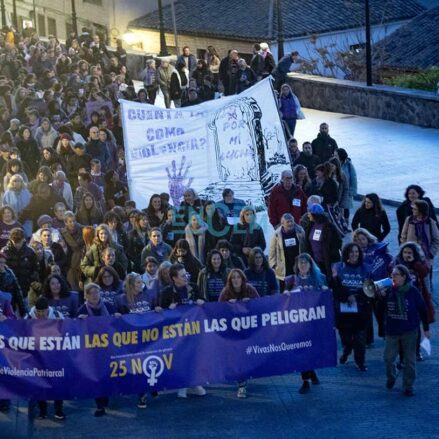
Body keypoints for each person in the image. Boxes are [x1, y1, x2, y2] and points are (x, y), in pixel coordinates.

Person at [383, 265, 430, 396]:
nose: (393, 277)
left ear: (403, 277)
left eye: (396, 274)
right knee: (388, 358)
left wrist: (426, 329)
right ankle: (391, 377)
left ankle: (408, 386)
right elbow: (381, 309)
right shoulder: (388, 291)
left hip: (409, 331)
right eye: (392, 274)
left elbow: (422, 309)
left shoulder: (413, 291)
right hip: (392, 331)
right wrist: (379, 297)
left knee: (409, 360)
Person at [284, 253, 325, 393]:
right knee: (302, 350)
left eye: (305, 262)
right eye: (300, 263)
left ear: (310, 264)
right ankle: (305, 380)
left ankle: (312, 371)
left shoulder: (319, 279)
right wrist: (286, 294)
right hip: (298, 323)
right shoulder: (291, 280)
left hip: (314, 322)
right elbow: (283, 297)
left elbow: (325, 298)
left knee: (312, 350)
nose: (302, 265)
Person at [218, 269, 259, 398]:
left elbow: (262, 306)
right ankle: (242, 385)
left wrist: (251, 304)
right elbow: (217, 310)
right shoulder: (225, 292)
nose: (236, 280)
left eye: (238, 277)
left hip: (249, 330)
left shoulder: (250, 289)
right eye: (233, 278)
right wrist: (227, 306)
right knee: (237, 356)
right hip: (233, 331)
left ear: (242, 279)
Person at [332, 243, 372, 371]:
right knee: (347, 339)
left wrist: (357, 297)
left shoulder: (366, 269)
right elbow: (335, 288)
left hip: (361, 311)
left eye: (356, 252)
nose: (354, 254)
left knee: (360, 340)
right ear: (346, 254)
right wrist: (347, 296)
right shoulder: (338, 268)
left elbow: (370, 289)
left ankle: (360, 362)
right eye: (351, 252)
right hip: (344, 312)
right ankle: (346, 351)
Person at [26, 295, 65, 420]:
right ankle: (42, 410)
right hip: (37, 356)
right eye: (39, 312)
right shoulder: (28, 317)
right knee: (39, 382)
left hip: (55, 355)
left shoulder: (58, 316)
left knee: (57, 382)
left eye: (44, 311)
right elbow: (20, 332)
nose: (41, 314)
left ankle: (58, 410)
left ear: (48, 309)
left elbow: (67, 331)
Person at [395, 242, 435, 361]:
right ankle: (402, 355)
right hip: (401, 299)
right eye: (405, 252)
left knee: (416, 328)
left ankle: (416, 351)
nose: (407, 255)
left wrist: (414, 263)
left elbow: (424, 273)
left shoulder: (419, 264)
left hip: (416, 300)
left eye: (410, 253)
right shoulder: (397, 264)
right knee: (402, 328)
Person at [303, 204, 342, 276]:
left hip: (327, 262)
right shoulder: (310, 225)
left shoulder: (329, 227)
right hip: (314, 262)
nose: (308, 215)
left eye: (309, 213)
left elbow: (338, 242)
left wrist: (330, 254)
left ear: (314, 214)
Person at [269, 213, 305, 287]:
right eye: (288, 222)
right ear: (282, 223)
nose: (290, 223)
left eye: (291, 221)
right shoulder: (277, 234)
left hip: (298, 265)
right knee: (285, 289)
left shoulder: (300, 230)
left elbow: (305, 246)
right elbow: (272, 250)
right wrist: (273, 265)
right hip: (284, 267)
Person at [1, 227, 39, 297]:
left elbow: (35, 268)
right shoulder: (4, 252)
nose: (17, 244)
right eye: (15, 242)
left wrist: (30, 280)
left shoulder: (30, 252)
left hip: (26, 287)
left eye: (19, 242)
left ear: (23, 239)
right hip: (8, 289)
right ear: (11, 239)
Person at [401, 200, 439, 267]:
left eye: (415, 209)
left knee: (424, 275)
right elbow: (403, 236)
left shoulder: (430, 222)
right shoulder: (409, 220)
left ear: (421, 210)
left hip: (425, 256)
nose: (412, 210)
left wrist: (431, 253)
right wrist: (405, 249)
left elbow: (436, 239)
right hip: (410, 254)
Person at [0, 251, 26, 317]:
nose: (2, 265)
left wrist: (23, 310)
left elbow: (18, 292)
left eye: (3, 262)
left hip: (9, 309)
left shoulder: (9, 272)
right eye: (0, 262)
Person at [336, 148, 357, 220]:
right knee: (338, 207)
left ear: (340, 156)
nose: (334, 156)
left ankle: (345, 223)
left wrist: (352, 192)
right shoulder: (335, 164)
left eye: (336, 155)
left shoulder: (349, 165)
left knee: (346, 208)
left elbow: (353, 178)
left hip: (347, 191)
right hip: (338, 190)